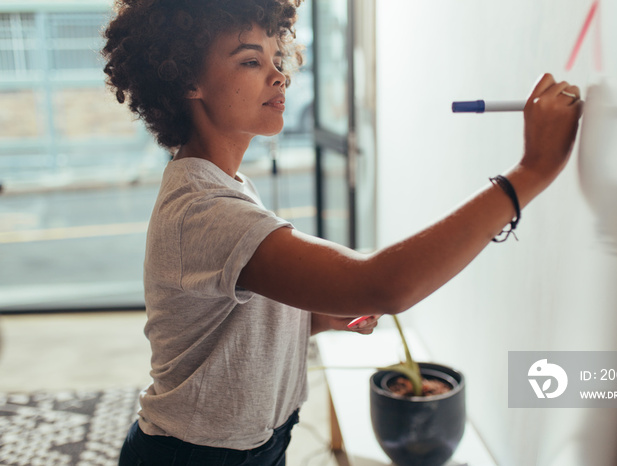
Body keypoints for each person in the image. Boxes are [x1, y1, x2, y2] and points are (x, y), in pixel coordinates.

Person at [103, 0, 582, 464]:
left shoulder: (223, 183)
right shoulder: (204, 210)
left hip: (252, 444)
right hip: (195, 455)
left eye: (277, 57)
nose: (279, 75)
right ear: (186, 79)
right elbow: (383, 283)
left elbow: (226, 329)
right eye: (251, 60)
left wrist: (316, 318)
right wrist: (532, 170)